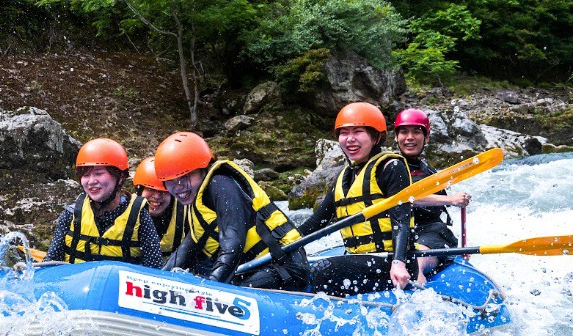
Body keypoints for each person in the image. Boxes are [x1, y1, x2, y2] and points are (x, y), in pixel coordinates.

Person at [153, 131, 309, 291]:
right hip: (254, 270)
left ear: (203, 168)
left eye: (185, 176)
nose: (178, 187)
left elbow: (232, 245)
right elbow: (185, 250)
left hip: (285, 268)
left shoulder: (221, 184)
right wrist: (156, 281)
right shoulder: (197, 202)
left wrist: (210, 288)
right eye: (170, 181)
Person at [297, 102, 417, 294]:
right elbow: (316, 222)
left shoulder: (391, 167)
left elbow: (401, 220)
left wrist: (398, 262)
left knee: (321, 270)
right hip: (359, 259)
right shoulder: (344, 176)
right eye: (344, 133)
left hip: (390, 261)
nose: (350, 139)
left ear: (376, 137)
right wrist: (283, 243)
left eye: (358, 132)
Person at [44, 138, 164, 267]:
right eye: (86, 175)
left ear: (120, 177)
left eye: (99, 173)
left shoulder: (140, 217)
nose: (91, 181)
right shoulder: (70, 214)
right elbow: (50, 262)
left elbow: (154, 266)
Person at [393, 108, 471, 279]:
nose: (410, 137)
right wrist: (452, 199)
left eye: (416, 132)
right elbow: (406, 196)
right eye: (404, 132)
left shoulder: (428, 170)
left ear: (426, 137)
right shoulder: (389, 168)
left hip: (430, 231)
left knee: (417, 261)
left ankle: (417, 275)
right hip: (399, 230)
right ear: (396, 137)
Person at [133, 156, 186, 256]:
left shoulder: (187, 217)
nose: (157, 196)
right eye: (150, 189)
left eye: (163, 191)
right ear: (139, 191)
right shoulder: (121, 212)